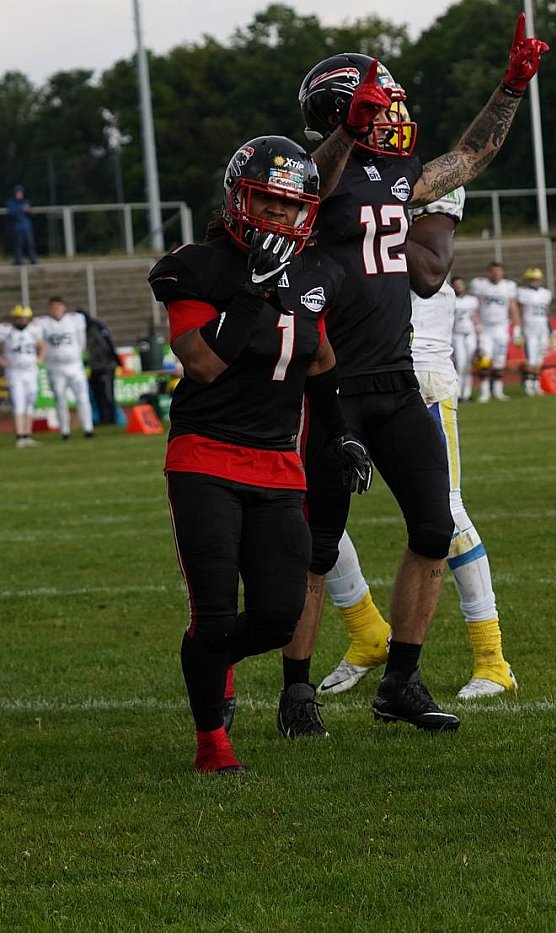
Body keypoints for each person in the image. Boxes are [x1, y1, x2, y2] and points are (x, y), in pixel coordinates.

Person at [278, 16, 547, 737]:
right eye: (377, 104)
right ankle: (296, 690)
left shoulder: (398, 174)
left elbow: (470, 156)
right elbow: (309, 186)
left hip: (397, 383)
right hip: (330, 387)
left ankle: (401, 679)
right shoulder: (310, 175)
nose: (392, 113)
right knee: (318, 545)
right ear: (341, 112)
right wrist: (346, 132)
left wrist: (510, 88)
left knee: (433, 526)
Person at [147, 135, 371, 773]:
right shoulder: (196, 266)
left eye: (288, 204)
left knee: (277, 616)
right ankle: (212, 745)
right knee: (215, 613)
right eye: (265, 200)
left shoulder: (315, 272)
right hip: (206, 455)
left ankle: (211, 659)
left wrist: (340, 431)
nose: (277, 213)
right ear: (236, 199)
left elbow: (319, 358)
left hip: (278, 461)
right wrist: (250, 291)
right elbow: (203, 363)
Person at [318, 189, 518, 701]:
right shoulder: (345, 176)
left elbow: (428, 273)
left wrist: (369, 214)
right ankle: (365, 629)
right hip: (347, 369)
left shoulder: (421, 182)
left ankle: (492, 658)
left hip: (418, 369)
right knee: (311, 510)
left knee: (445, 514)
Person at [35, 297, 93, 441]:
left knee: (82, 397)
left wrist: (78, 354)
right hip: (55, 367)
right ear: (49, 309)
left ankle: (88, 429)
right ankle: (65, 431)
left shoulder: (74, 319)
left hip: (74, 366)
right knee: (60, 399)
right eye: (53, 307)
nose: (56, 310)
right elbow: (38, 341)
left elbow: (82, 340)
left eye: (58, 306)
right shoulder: (42, 323)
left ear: (64, 307)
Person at [470, 261, 517, 401]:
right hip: (485, 328)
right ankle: (484, 391)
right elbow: (473, 306)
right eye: (493, 271)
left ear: (502, 272)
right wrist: (476, 325)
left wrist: (517, 328)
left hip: (501, 328)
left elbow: (513, 307)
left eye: (498, 271)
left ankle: (498, 390)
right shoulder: (480, 284)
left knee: (499, 361)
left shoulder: (508, 286)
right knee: (484, 360)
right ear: (489, 272)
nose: (496, 274)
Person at [3, 305, 42, 446]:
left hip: (31, 371)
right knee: (18, 402)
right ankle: (20, 436)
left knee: (30, 401)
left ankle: (27, 435)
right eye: (19, 318)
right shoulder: (7, 331)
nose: (22, 320)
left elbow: (42, 345)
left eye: (24, 318)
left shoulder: (34, 330)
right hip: (15, 372)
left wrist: (40, 359)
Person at [79, 308, 120, 427]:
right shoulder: (95, 327)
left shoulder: (94, 329)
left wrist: (89, 360)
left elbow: (104, 347)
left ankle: (109, 419)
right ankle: (104, 419)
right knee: (99, 394)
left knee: (105, 394)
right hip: (97, 367)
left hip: (104, 366)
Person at [517, 266, 553, 395]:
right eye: (531, 279)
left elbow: (547, 311)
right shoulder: (522, 292)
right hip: (529, 327)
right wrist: (518, 329)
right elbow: (518, 311)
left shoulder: (546, 293)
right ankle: (528, 385)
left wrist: (551, 328)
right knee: (531, 358)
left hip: (542, 327)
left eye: (536, 279)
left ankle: (536, 384)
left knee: (540, 358)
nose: (534, 281)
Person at [449, 277, 478, 402]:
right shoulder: (450, 300)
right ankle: (458, 393)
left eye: (460, 284)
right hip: (457, 334)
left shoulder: (471, 300)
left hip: (470, 333)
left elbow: (475, 317)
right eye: (456, 285)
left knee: (469, 364)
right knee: (460, 364)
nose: (459, 287)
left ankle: (467, 392)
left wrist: (479, 332)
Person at [7, 185, 37, 265]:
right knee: (18, 245)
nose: (20, 194)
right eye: (18, 193)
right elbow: (11, 212)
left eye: (21, 193)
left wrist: (30, 211)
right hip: (17, 227)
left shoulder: (26, 201)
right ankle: (18, 261)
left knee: (30, 244)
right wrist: (22, 209)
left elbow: (31, 214)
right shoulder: (11, 202)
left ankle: (33, 260)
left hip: (27, 227)